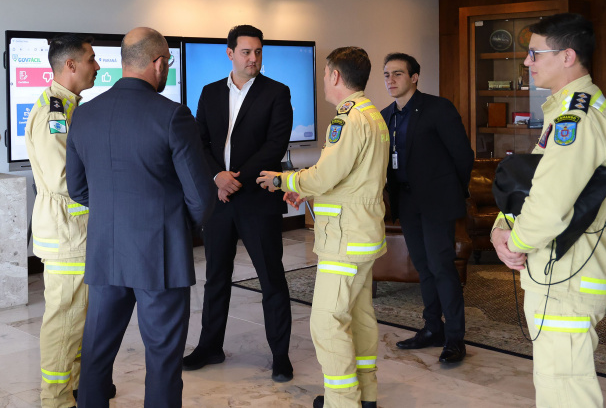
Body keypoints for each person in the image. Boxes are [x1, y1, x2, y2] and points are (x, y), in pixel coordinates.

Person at [66, 27, 215, 408]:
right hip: (159, 257)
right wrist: (178, 226)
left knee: (96, 355)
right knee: (163, 360)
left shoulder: (84, 114)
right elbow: (200, 197)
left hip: (105, 252)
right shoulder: (173, 116)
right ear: (158, 62)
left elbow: (78, 189)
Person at [491, 13, 606, 407]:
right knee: (555, 383)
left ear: (567, 56)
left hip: (568, 273)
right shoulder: (563, 112)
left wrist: (515, 241)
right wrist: (502, 226)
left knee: (565, 389)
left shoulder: (575, 117)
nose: (527, 63)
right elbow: (530, 183)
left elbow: (548, 204)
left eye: (534, 54)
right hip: (558, 270)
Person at [258, 46, 388, 408]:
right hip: (363, 235)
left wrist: (286, 181)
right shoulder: (372, 114)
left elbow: (329, 172)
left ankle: (342, 402)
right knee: (358, 317)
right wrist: (306, 191)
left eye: (324, 74)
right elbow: (350, 178)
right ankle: (366, 396)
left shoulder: (346, 119)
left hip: (344, 239)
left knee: (327, 323)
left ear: (334, 76)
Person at [183, 24, 295, 382]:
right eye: (246, 52)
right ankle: (210, 347)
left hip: (257, 198)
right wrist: (218, 176)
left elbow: (274, 146)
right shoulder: (209, 92)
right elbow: (199, 142)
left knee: (271, 278)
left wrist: (236, 179)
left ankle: (280, 355)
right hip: (219, 199)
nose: (253, 58)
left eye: (259, 52)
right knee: (216, 276)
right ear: (230, 53)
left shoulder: (277, 92)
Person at [24, 34, 103, 408]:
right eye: (91, 59)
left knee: (76, 319)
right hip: (67, 233)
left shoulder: (70, 107)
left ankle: (70, 389)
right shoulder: (55, 112)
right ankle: (56, 399)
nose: (98, 66)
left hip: (75, 232)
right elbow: (64, 178)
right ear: (70, 65)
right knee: (65, 319)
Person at [379, 53, 474, 364]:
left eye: (397, 74)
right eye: (386, 75)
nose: (390, 81)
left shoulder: (438, 108)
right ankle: (433, 328)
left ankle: (455, 338)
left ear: (414, 77)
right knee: (423, 267)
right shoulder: (385, 116)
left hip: (437, 202)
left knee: (442, 267)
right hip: (406, 202)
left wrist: (452, 193)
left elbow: (462, 155)